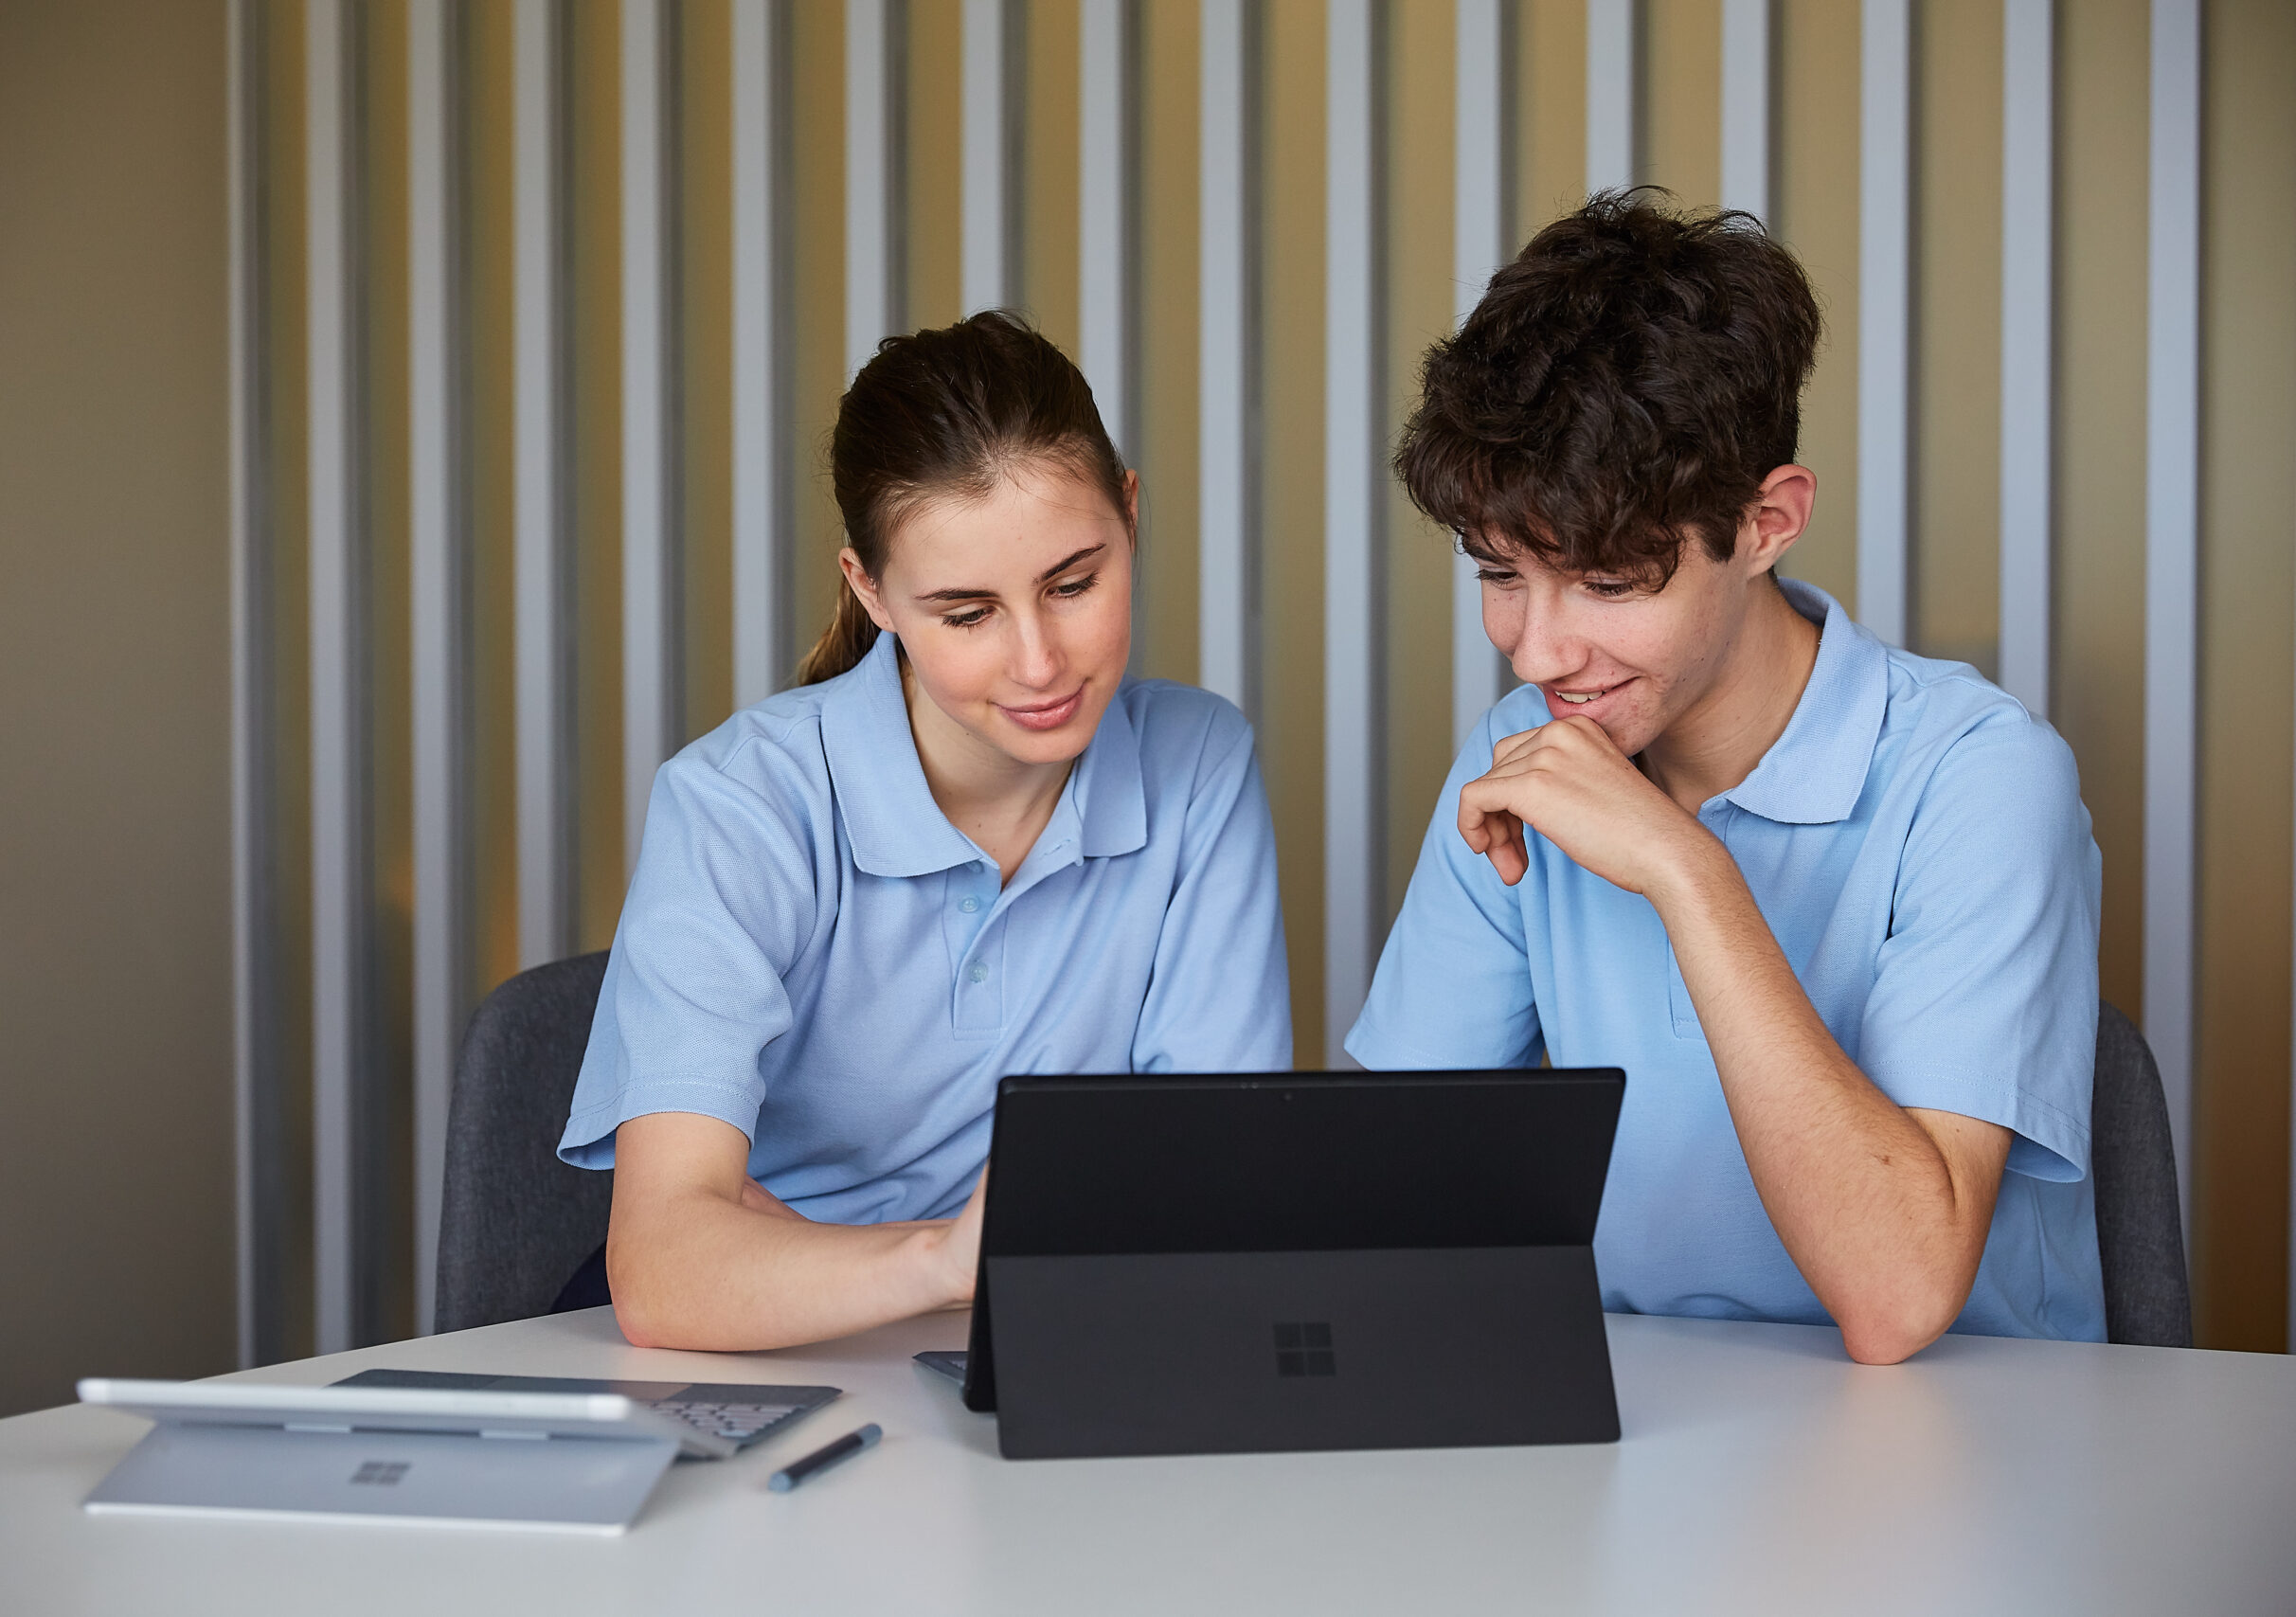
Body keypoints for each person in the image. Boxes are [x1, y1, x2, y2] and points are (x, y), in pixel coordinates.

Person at [1349, 191, 2104, 1363]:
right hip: (1637, 1421)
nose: (1536, 651)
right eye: (1499, 573)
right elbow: (1381, 1192)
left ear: (1765, 522)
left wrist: (1685, 872)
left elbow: (1897, 1296)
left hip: (1960, 1433)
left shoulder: (1982, 778)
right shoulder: (1530, 746)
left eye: (1606, 583)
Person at [562, 311, 1291, 1352]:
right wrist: (950, 1261)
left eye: (1073, 583)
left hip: (1037, 1328)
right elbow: (664, 1272)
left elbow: (1215, 1188)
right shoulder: (738, 803)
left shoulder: (1198, 763)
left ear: (1129, 515)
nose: (1039, 663)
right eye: (966, 613)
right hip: (764, 1342)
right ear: (872, 590)